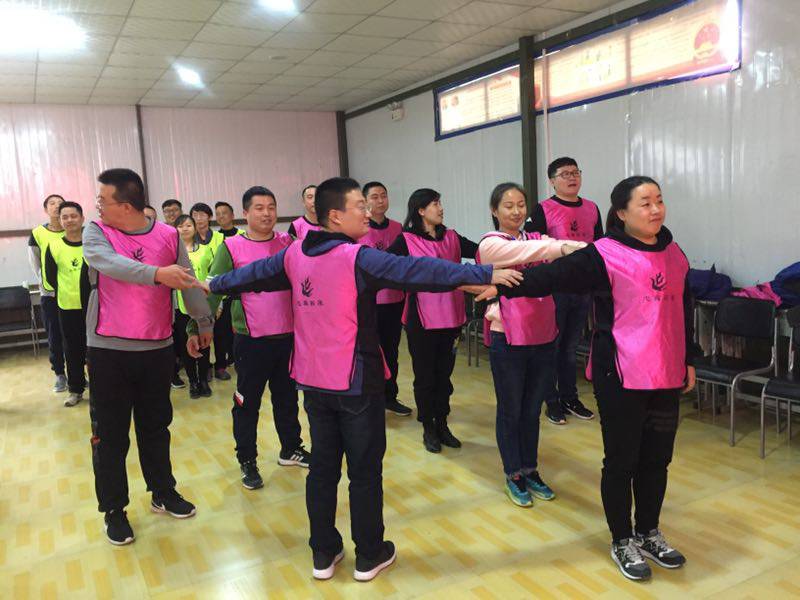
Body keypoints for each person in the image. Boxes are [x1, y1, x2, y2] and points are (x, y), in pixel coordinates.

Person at [202, 177, 521, 582]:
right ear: (336, 216)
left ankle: (323, 553)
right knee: (364, 472)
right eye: (359, 207)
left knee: (322, 470)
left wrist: (212, 283)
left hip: (314, 384)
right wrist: (486, 271)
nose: (367, 213)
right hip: (356, 383)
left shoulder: (293, 254)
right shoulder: (358, 257)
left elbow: (249, 276)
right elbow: (417, 270)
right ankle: (369, 554)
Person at [479, 176, 697, 581]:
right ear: (622, 213)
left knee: (657, 460)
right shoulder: (604, 254)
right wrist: (502, 286)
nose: (655, 210)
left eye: (659, 201)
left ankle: (649, 531)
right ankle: (622, 539)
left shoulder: (674, 252)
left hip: (666, 373)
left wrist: (689, 359)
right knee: (622, 461)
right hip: (621, 373)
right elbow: (551, 276)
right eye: (645, 203)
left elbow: (684, 307)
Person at [83, 168, 212, 546]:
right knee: (110, 435)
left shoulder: (168, 235)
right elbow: (109, 263)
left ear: (126, 205)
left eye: (103, 200)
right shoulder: (97, 231)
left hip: (156, 347)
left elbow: (186, 279)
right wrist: (157, 274)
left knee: (156, 427)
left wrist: (201, 321)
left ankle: (162, 491)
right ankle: (114, 509)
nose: (97, 206)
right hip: (108, 349)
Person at [188, 187, 310, 491]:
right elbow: (211, 288)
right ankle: (247, 459)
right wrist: (197, 327)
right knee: (246, 402)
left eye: (271, 207)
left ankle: (290, 448)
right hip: (250, 339)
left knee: (287, 397)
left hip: (287, 336)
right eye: (259, 208)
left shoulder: (288, 243)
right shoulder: (231, 247)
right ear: (245, 213)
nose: (267, 213)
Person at [475, 183, 585, 507]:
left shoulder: (537, 238)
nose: (516, 211)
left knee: (532, 409)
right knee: (511, 409)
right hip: (508, 336)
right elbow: (532, 253)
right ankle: (513, 473)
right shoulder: (491, 244)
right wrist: (563, 247)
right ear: (495, 210)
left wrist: (565, 249)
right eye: (508, 206)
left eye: (521, 205)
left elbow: (546, 250)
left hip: (543, 334)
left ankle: (530, 469)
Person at [386, 189, 479, 453]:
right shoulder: (406, 240)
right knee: (425, 377)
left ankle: (443, 424)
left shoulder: (452, 237)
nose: (440, 208)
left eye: (440, 203)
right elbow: (385, 267)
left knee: (444, 377)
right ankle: (428, 427)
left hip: (451, 318)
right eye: (435, 204)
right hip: (421, 320)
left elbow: (481, 250)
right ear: (420, 210)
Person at [525, 157, 604, 425]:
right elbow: (531, 247)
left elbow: (600, 247)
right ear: (552, 181)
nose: (572, 178)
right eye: (565, 174)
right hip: (554, 289)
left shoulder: (592, 208)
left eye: (575, 172)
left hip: (582, 289)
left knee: (570, 348)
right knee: (552, 346)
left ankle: (570, 397)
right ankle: (551, 400)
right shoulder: (543, 209)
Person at [359, 181, 411, 417]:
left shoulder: (398, 227)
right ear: (365, 201)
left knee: (391, 352)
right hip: (369, 301)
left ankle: (390, 396)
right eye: (375, 197)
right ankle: (371, 400)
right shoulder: (359, 228)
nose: (380, 201)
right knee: (370, 352)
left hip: (394, 299)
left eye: (384, 196)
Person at [44, 201, 90, 407]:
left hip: (95, 306)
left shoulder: (92, 243)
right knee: (72, 350)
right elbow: (50, 277)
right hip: (68, 305)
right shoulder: (54, 246)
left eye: (73, 216)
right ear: (60, 220)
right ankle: (76, 389)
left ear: (82, 218)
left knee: (97, 349)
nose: (69, 220)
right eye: (65, 217)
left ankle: (102, 388)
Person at [29, 194, 67, 392]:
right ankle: (59, 373)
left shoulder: (72, 229)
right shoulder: (38, 233)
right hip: (50, 294)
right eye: (52, 203)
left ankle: (78, 373)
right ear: (46, 209)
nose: (56, 206)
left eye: (60, 203)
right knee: (54, 334)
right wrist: (46, 284)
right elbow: (35, 263)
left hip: (73, 293)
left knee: (75, 334)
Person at [174, 214, 214, 398]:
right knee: (186, 347)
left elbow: (213, 277)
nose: (185, 228)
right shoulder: (173, 254)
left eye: (189, 225)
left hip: (204, 306)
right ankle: (193, 382)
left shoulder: (206, 250)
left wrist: (217, 304)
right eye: (180, 226)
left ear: (195, 228)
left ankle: (204, 380)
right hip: (182, 307)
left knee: (204, 344)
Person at [211, 201, 240, 379]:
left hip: (239, 291)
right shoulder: (214, 238)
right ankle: (220, 365)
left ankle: (238, 360)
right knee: (220, 332)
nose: (221, 216)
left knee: (238, 330)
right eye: (218, 214)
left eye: (224, 213)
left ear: (232, 215)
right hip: (221, 292)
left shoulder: (242, 235)